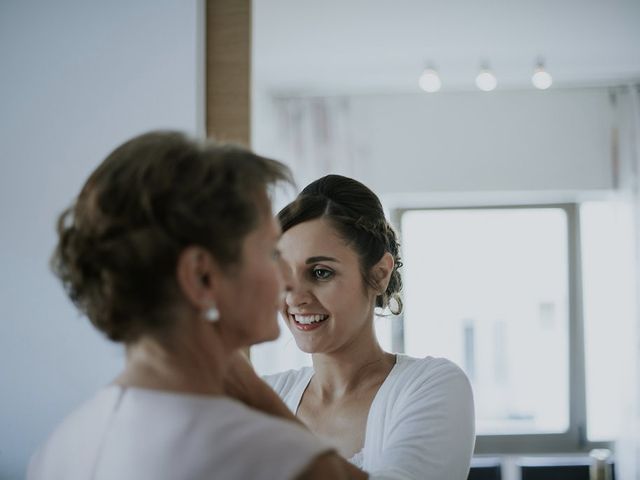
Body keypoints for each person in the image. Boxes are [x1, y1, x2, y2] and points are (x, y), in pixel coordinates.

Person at [27, 132, 366, 480]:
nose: (290, 282)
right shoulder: (279, 460)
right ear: (202, 277)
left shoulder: (58, 449)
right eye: (270, 252)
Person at [264, 174, 476, 479]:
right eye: (283, 272)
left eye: (321, 272)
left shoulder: (431, 386)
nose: (295, 298)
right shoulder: (268, 392)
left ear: (379, 275)